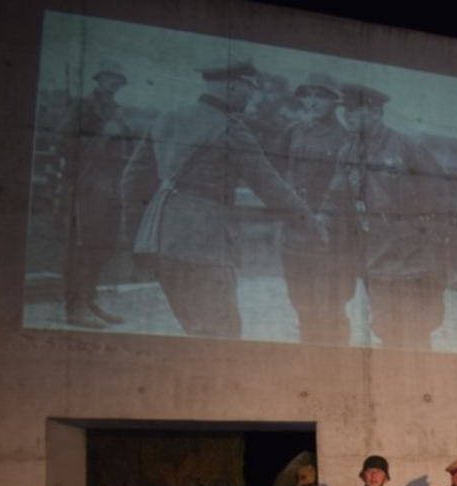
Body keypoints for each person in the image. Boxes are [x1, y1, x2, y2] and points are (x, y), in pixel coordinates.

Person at [121, 59, 322, 338]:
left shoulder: (167, 118)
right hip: (205, 244)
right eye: (249, 88)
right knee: (222, 335)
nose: (252, 96)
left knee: (194, 329)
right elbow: (271, 187)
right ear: (233, 86)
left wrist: (136, 236)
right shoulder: (231, 130)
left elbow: (131, 181)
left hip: (160, 240)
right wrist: (311, 223)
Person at [326, 83, 450, 349]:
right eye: (345, 109)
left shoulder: (406, 146)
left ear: (376, 112)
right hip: (376, 253)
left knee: (416, 329)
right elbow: (336, 199)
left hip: (414, 255)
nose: (347, 115)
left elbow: (441, 195)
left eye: (354, 109)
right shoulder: (347, 152)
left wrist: (433, 245)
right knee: (385, 327)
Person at [272, 73, 356, 345]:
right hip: (295, 229)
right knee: (301, 303)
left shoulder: (346, 138)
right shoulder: (293, 131)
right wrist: (284, 206)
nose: (312, 102)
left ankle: (338, 361)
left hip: (330, 232)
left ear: (334, 102)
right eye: (307, 95)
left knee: (331, 305)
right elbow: (271, 172)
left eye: (320, 96)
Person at [60, 59, 132, 329]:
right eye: (110, 76)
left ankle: (90, 301)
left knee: (104, 244)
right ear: (99, 78)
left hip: (113, 183)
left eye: (119, 78)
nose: (115, 81)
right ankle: (75, 307)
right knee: (84, 244)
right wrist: (102, 135)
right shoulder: (83, 105)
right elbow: (64, 141)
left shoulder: (117, 110)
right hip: (89, 183)